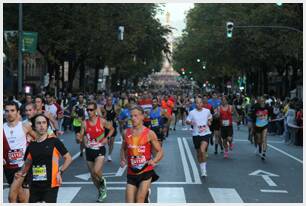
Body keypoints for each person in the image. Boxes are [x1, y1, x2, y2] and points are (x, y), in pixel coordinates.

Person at [13, 114, 72, 203]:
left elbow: (68, 158)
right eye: (39, 123)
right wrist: (21, 173)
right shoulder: (31, 145)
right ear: (34, 127)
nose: (41, 125)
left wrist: (60, 172)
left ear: (47, 126)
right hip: (34, 185)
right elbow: (28, 163)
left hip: (51, 185)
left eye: (44, 123)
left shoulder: (54, 141)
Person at [120, 106, 163, 203]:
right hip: (131, 172)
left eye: (135, 116)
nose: (133, 118)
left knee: (139, 200)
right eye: (131, 116)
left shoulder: (149, 133)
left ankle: (145, 195)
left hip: (146, 171)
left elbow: (160, 151)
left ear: (142, 117)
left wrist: (154, 160)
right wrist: (123, 159)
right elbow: (123, 148)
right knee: (130, 202)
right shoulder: (126, 133)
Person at [77, 101, 114, 202]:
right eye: (87, 110)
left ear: (95, 111)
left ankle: (103, 182)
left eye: (91, 110)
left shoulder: (101, 121)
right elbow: (80, 137)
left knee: (96, 171)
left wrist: (107, 138)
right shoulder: (84, 123)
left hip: (100, 149)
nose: (89, 112)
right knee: (93, 176)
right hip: (89, 151)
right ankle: (101, 191)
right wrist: (78, 138)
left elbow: (112, 129)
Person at [3, 101, 36, 203]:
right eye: (7, 111)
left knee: (11, 197)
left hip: (23, 166)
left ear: (17, 112)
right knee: (21, 199)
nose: (9, 113)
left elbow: (38, 139)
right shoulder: (2, 127)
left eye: (12, 111)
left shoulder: (25, 126)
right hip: (8, 167)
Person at [186, 97, 212, 177]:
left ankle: (204, 170)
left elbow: (210, 117)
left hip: (205, 133)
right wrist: (190, 122)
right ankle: (201, 167)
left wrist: (209, 121)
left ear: (202, 103)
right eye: (197, 103)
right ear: (195, 104)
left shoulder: (207, 111)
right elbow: (187, 121)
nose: (199, 104)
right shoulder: (192, 112)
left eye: (200, 102)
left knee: (202, 150)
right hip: (196, 134)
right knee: (198, 153)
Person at [101, 96, 119, 162]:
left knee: (111, 141)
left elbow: (117, 114)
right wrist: (104, 119)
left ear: (112, 101)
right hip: (105, 126)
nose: (109, 101)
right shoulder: (103, 108)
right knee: (105, 141)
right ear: (106, 101)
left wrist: (115, 119)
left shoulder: (115, 107)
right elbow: (100, 115)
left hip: (112, 126)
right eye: (108, 100)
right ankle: (102, 154)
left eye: (110, 100)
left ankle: (109, 155)